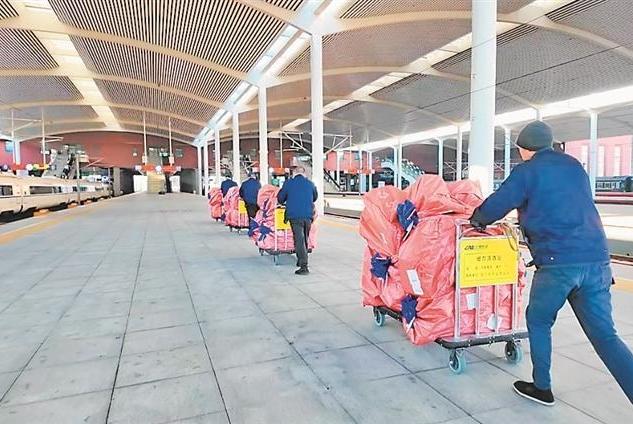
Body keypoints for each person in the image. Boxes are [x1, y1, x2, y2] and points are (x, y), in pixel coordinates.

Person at [470, 120, 633, 406]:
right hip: (597, 261)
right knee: (606, 336)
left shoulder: (527, 171)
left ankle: (542, 387)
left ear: (524, 148)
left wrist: (478, 219)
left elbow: (500, 202)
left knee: (539, 319)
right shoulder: (574, 166)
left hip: (558, 263)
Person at [277, 166, 318, 275]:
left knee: (299, 239)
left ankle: (304, 266)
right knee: (304, 238)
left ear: (294, 173)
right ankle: (301, 260)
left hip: (295, 215)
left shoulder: (288, 183)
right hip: (308, 215)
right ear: (304, 174)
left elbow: (280, 198)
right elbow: (315, 197)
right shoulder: (310, 184)